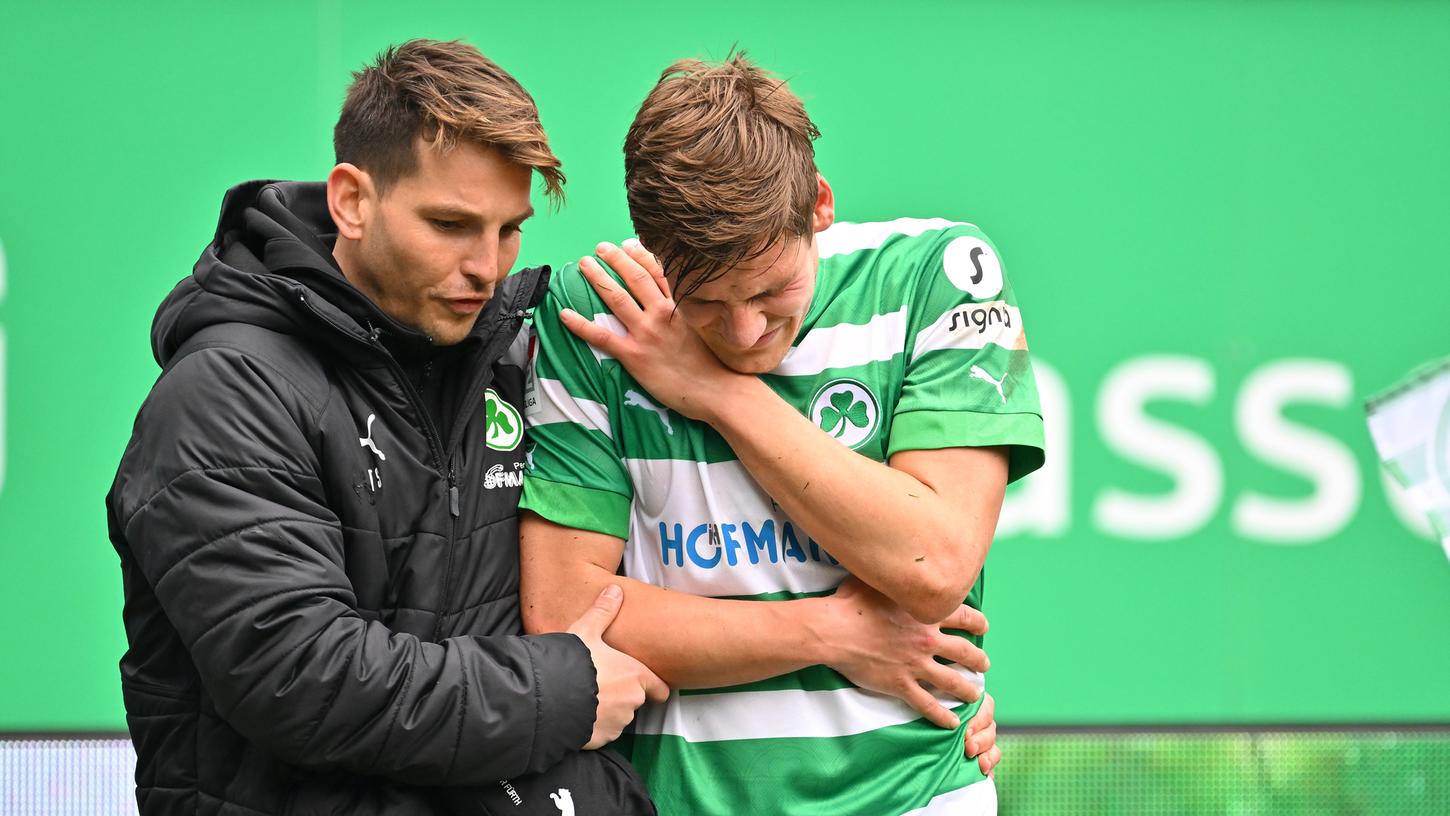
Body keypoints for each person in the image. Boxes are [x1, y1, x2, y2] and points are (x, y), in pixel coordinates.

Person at [105, 39, 665, 815]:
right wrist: (565, 689)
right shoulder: (225, 391)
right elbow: (299, 676)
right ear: (352, 201)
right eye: (450, 224)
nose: (486, 266)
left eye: (510, 230)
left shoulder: (524, 348)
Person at [519, 54, 1043, 815]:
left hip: (915, 797)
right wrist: (830, 631)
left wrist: (717, 392)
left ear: (820, 204)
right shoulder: (596, 313)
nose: (743, 330)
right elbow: (570, 614)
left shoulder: (938, 271)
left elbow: (934, 563)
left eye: (771, 291)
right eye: (703, 302)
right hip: (675, 800)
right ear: (650, 248)